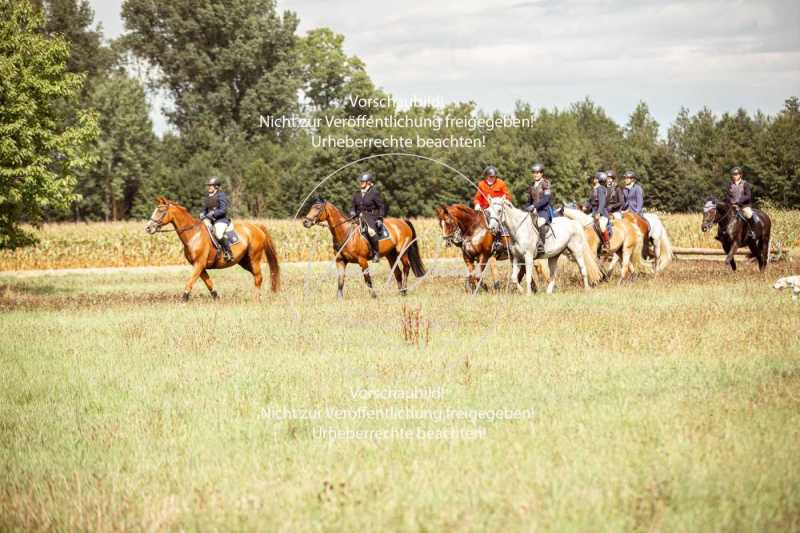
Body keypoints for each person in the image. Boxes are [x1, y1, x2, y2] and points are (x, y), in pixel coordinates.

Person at [473, 165, 513, 255]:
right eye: (490, 176)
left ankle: (505, 240)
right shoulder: (481, 184)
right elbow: (476, 198)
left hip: (497, 207)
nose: (491, 178)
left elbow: (508, 196)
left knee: (501, 219)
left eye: (493, 177)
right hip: (485, 209)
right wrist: (477, 204)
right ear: (486, 176)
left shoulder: (501, 183)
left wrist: (502, 201)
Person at [350, 173, 387, 262]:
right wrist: (352, 212)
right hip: (358, 217)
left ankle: (376, 253)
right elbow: (353, 206)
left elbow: (381, 206)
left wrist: (380, 218)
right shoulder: (357, 194)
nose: (361, 183)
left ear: (369, 182)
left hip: (371, 217)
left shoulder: (374, 193)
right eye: (361, 181)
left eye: (363, 181)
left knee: (371, 232)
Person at [200, 176, 233, 262]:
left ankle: (228, 252)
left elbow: (223, 210)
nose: (209, 187)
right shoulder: (208, 197)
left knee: (218, 234)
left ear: (216, 187)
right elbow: (205, 210)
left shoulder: (221, 195)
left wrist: (213, 214)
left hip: (220, 220)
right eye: (209, 185)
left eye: (211, 185)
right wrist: (203, 214)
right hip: (210, 220)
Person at [524, 162, 553, 256]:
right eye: (534, 172)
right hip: (533, 211)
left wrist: (535, 206)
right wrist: (526, 208)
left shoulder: (546, 183)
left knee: (540, 222)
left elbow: (546, 199)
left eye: (538, 172)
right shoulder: (532, 185)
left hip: (544, 211)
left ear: (541, 173)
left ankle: (541, 245)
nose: (535, 174)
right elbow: (529, 201)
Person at [725, 166, 757, 240]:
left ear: (740, 175)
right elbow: (727, 196)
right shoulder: (730, 184)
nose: (734, 176)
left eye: (736, 174)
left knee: (749, 214)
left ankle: (752, 232)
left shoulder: (745, 184)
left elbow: (748, 196)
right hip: (732, 205)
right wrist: (731, 201)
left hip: (744, 206)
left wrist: (738, 202)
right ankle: (723, 233)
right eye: (733, 174)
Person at [587, 171, 611, 251]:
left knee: (602, 226)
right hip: (593, 212)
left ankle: (606, 243)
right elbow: (590, 201)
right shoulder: (594, 189)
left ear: (598, 180)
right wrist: (585, 207)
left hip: (602, 213)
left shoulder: (601, 189)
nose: (594, 179)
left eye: (595, 178)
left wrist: (599, 213)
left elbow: (602, 202)